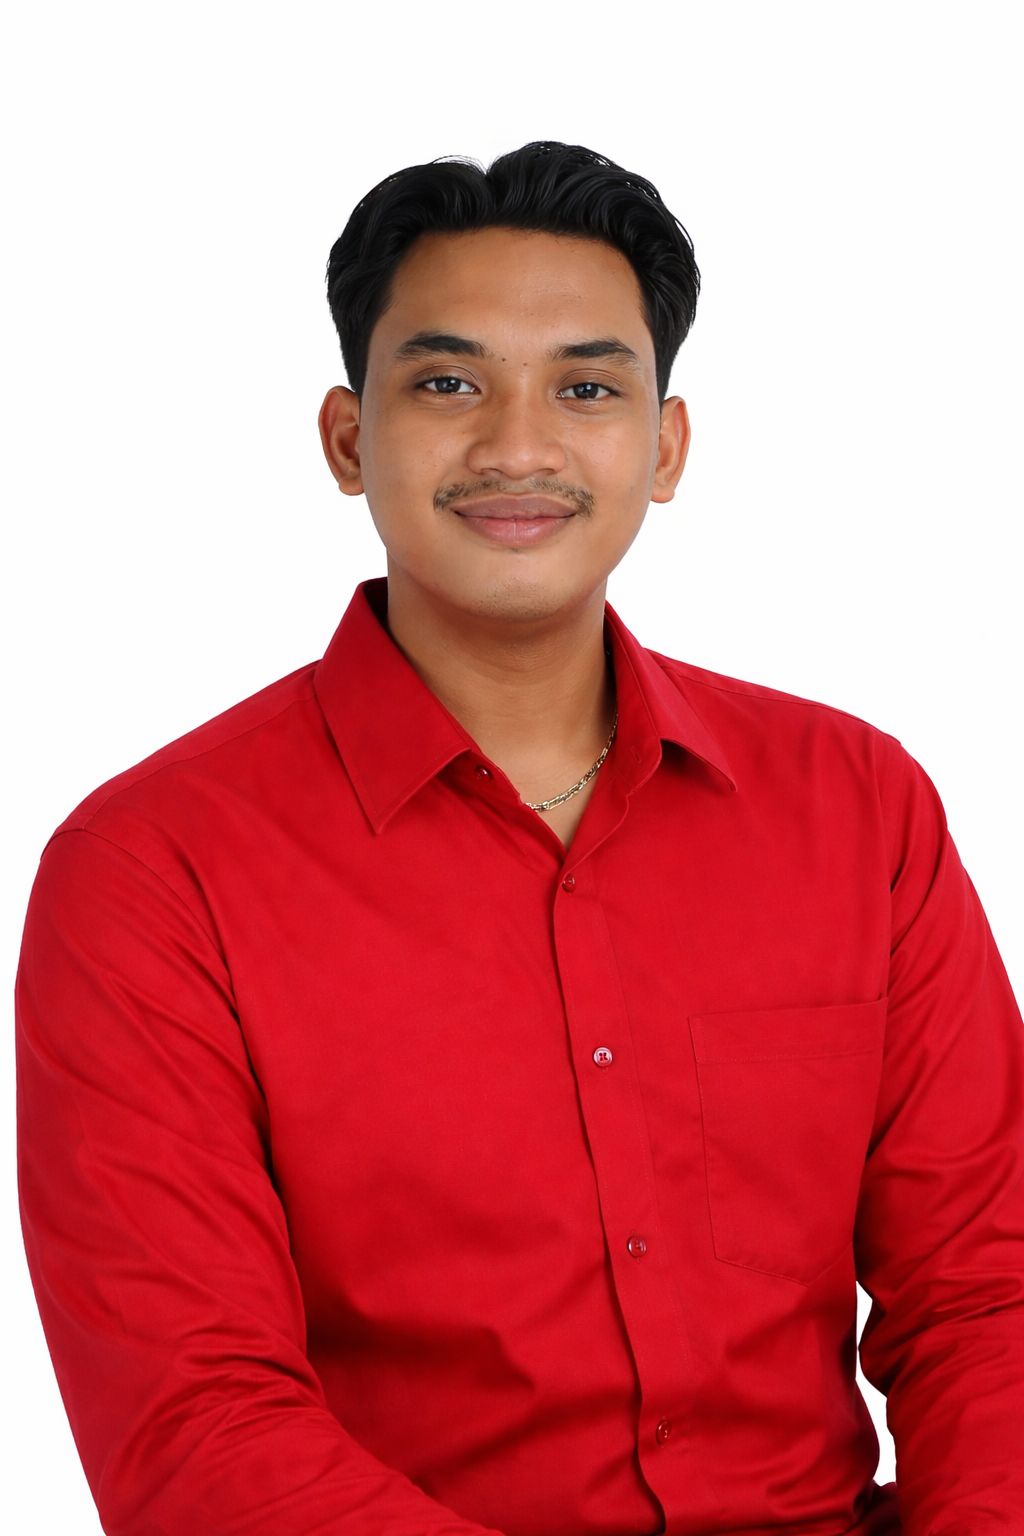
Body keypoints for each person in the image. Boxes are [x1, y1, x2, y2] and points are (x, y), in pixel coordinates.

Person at [14, 140, 1023, 1536]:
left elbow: (988, 1293)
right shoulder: (150, 872)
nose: (519, 448)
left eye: (587, 388)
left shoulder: (856, 804)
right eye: (448, 384)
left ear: (665, 447)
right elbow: (196, 1423)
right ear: (347, 438)